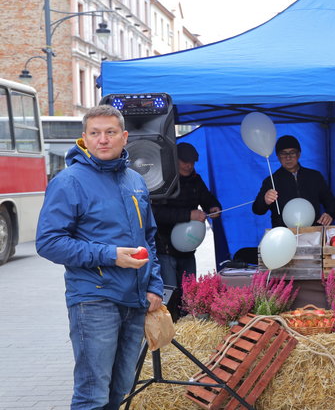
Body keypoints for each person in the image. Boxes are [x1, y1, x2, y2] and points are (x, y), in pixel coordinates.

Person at [35, 105, 164, 409]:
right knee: (92, 394)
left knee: (118, 391)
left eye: (110, 132)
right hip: (93, 300)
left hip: (134, 300)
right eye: (95, 133)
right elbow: (48, 242)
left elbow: (148, 238)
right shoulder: (69, 182)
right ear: (84, 138)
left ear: (124, 136)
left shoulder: (135, 181)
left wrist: (154, 285)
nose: (102, 139)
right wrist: (109, 255)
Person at [151, 142, 221, 320]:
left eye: (192, 162)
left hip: (188, 247)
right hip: (165, 247)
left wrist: (214, 208)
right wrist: (188, 215)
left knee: (190, 294)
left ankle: (188, 326)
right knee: (171, 294)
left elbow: (208, 199)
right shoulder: (162, 182)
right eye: (185, 161)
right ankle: (171, 328)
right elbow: (156, 213)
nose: (189, 165)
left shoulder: (195, 180)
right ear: (175, 160)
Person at [251, 135, 335, 227]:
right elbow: (257, 209)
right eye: (283, 153)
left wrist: (330, 214)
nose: (288, 157)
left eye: (292, 153)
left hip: (313, 232)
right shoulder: (271, 181)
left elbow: (331, 202)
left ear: (299, 154)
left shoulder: (315, 176)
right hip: (284, 234)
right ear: (278, 156)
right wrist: (265, 200)